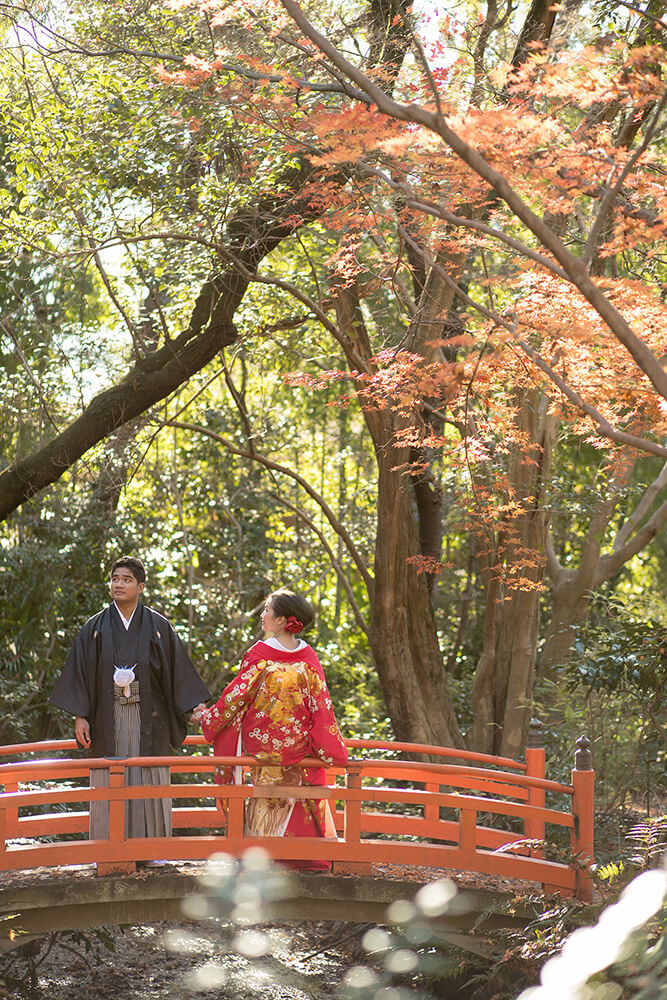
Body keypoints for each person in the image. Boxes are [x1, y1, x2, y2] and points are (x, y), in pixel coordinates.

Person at [50, 556, 210, 840]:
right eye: (115, 579)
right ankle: (108, 845)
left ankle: (152, 848)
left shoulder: (157, 626)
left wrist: (194, 705)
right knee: (111, 777)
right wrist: (81, 716)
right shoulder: (94, 628)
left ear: (141, 586)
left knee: (149, 777)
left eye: (126, 580)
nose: (119, 584)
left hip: (149, 717)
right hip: (107, 718)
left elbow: (178, 671)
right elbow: (82, 673)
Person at [200, 589, 348, 868]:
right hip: (298, 747)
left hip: (264, 747)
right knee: (295, 801)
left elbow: (235, 697)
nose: (263, 615)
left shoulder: (261, 654)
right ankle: (300, 859)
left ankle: (260, 860)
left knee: (264, 802)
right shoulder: (308, 658)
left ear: (281, 620)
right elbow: (321, 706)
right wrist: (331, 747)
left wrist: (209, 718)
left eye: (268, 610)